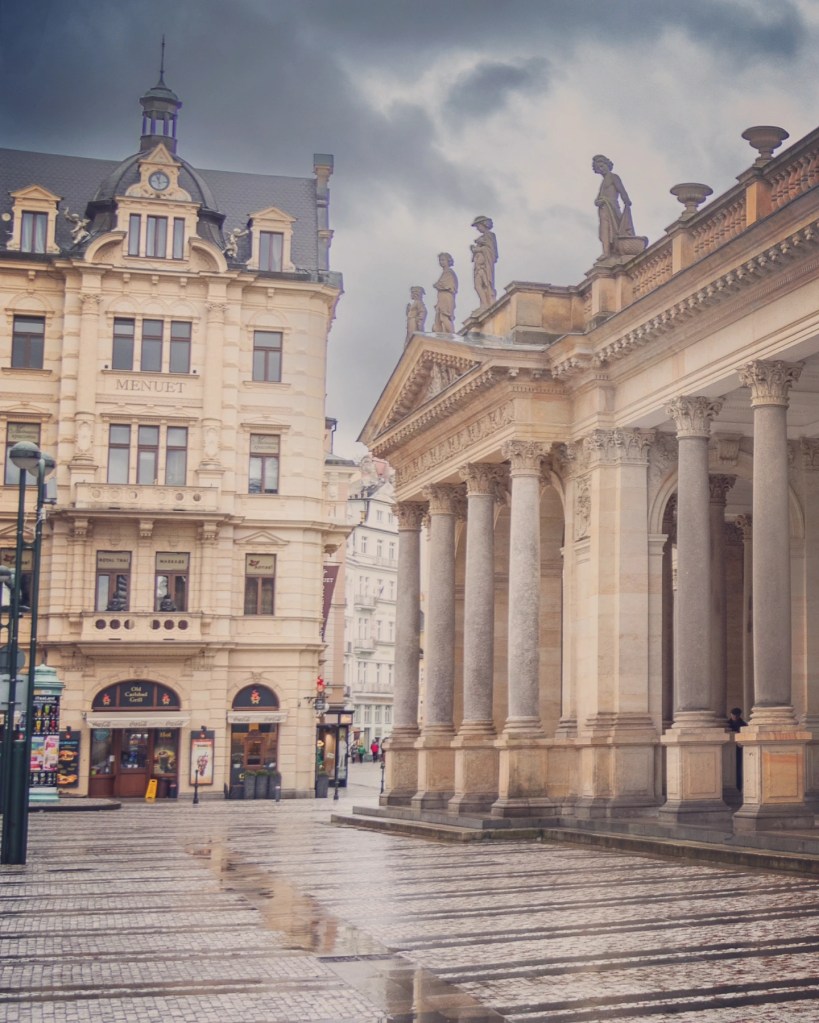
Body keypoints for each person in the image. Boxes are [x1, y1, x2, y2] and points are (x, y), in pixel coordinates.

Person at [592, 154, 635, 258]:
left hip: (612, 207)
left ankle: (608, 252)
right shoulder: (603, 182)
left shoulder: (613, 177)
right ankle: (606, 252)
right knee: (604, 230)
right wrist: (598, 201)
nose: (601, 169)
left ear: (607, 165)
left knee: (613, 229)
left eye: (602, 166)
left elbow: (621, 190)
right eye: (598, 168)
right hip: (604, 208)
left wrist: (627, 201)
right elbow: (598, 197)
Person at [470, 215, 498, 309]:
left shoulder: (490, 235)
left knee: (486, 284)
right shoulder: (482, 238)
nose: (478, 229)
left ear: (484, 224)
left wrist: (477, 249)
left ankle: (488, 302)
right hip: (479, 267)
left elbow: (491, 251)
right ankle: (484, 303)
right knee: (477, 285)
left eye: (478, 226)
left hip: (485, 266)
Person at [432, 252, 457, 333]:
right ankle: (446, 335)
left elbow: (447, 285)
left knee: (444, 317)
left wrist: (437, 285)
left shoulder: (449, 272)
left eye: (443, 260)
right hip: (442, 298)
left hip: (446, 298)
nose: (441, 262)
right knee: (439, 319)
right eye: (440, 260)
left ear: (448, 261)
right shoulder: (445, 272)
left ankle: (452, 335)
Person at [727, 707, 747, 791]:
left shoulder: (743, 724)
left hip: (739, 749)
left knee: (739, 768)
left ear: (739, 715)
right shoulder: (727, 724)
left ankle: (739, 787)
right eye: (733, 715)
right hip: (728, 749)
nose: (734, 717)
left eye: (736, 715)